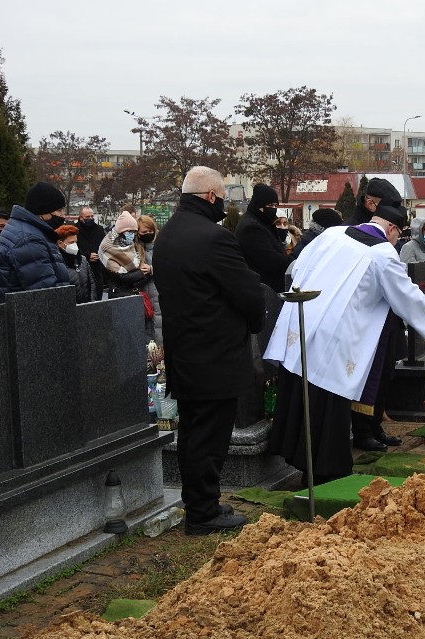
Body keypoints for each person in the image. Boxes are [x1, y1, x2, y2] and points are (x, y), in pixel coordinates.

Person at [265, 201, 425, 484]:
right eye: (397, 234)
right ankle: (325, 473)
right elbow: (404, 294)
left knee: (303, 398)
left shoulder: (333, 233)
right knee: (327, 405)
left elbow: (301, 265)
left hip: (305, 322)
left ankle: (302, 463)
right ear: (390, 228)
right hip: (336, 339)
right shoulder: (381, 253)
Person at [153, 166, 266, 535]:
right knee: (210, 436)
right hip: (214, 352)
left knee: (193, 432)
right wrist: (255, 320)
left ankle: (202, 502)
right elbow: (246, 291)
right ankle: (203, 513)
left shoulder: (170, 233)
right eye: (224, 196)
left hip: (185, 350)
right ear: (212, 196)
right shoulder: (212, 237)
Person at [0, 181, 70, 300]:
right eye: (59, 210)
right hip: (34, 315)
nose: (62, 215)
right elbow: (45, 293)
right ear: (43, 212)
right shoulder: (29, 240)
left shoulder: (27, 231)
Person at [235, 184, 293, 293]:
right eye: (270, 205)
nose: (274, 209)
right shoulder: (251, 227)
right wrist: (293, 260)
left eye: (276, 206)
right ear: (259, 205)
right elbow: (270, 260)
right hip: (264, 289)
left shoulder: (263, 222)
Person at [99, 211, 151, 298]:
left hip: (132, 293)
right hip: (118, 295)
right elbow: (120, 278)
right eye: (129, 231)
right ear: (121, 231)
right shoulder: (108, 247)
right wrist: (142, 272)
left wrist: (146, 273)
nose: (132, 235)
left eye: (133, 232)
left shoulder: (131, 246)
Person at [55, 225, 99, 303]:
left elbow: (92, 283)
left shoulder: (83, 260)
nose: (74, 245)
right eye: (71, 242)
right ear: (60, 243)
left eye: (75, 242)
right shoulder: (56, 263)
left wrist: (92, 303)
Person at [138, 215, 163, 344]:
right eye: (144, 232)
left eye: (150, 231)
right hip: (143, 293)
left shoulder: (161, 245)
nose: (148, 234)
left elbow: (169, 265)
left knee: (159, 324)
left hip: (158, 292)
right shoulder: (135, 248)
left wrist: (152, 270)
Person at [75, 206, 107, 299]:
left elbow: (105, 247)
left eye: (92, 216)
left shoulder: (99, 229)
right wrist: (87, 255)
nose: (91, 219)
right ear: (81, 217)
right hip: (81, 268)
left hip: (97, 268)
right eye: (87, 217)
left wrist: (99, 256)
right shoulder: (74, 230)